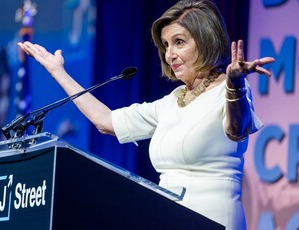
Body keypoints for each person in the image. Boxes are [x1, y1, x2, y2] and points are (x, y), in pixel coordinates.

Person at [18, 0, 275, 229]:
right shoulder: (171, 102)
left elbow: (236, 128)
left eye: (179, 42)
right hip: (165, 217)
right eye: (166, 45)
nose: (170, 53)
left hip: (212, 219)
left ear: (206, 40)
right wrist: (58, 72)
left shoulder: (229, 90)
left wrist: (235, 86)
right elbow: (106, 121)